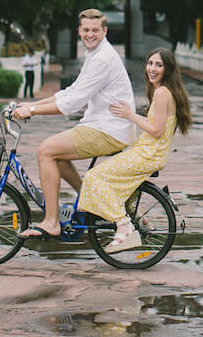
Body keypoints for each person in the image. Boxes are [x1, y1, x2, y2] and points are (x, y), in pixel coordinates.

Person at [11, 9, 135, 239]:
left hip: (108, 128)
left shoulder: (102, 58)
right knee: (57, 156)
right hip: (103, 125)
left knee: (46, 150)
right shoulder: (95, 54)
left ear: (104, 31)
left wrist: (34, 111)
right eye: (86, 29)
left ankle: (51, 222)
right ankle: (96, 201)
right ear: (79, 31)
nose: (90, 34)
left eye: (95, 30)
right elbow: (71, 91)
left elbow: (74, 103)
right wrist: (31, 104)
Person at [77, 47, 193, 253]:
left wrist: (129, 115)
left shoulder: (161, 93)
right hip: (150, 153)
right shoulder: (166, 91)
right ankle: (139, 219)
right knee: (115, 183)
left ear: (168, 69)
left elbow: (156, 130)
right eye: (150, 63)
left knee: (93, 178)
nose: (152, 68)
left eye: (159, 65)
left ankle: (124, 225)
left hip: (148, 155)